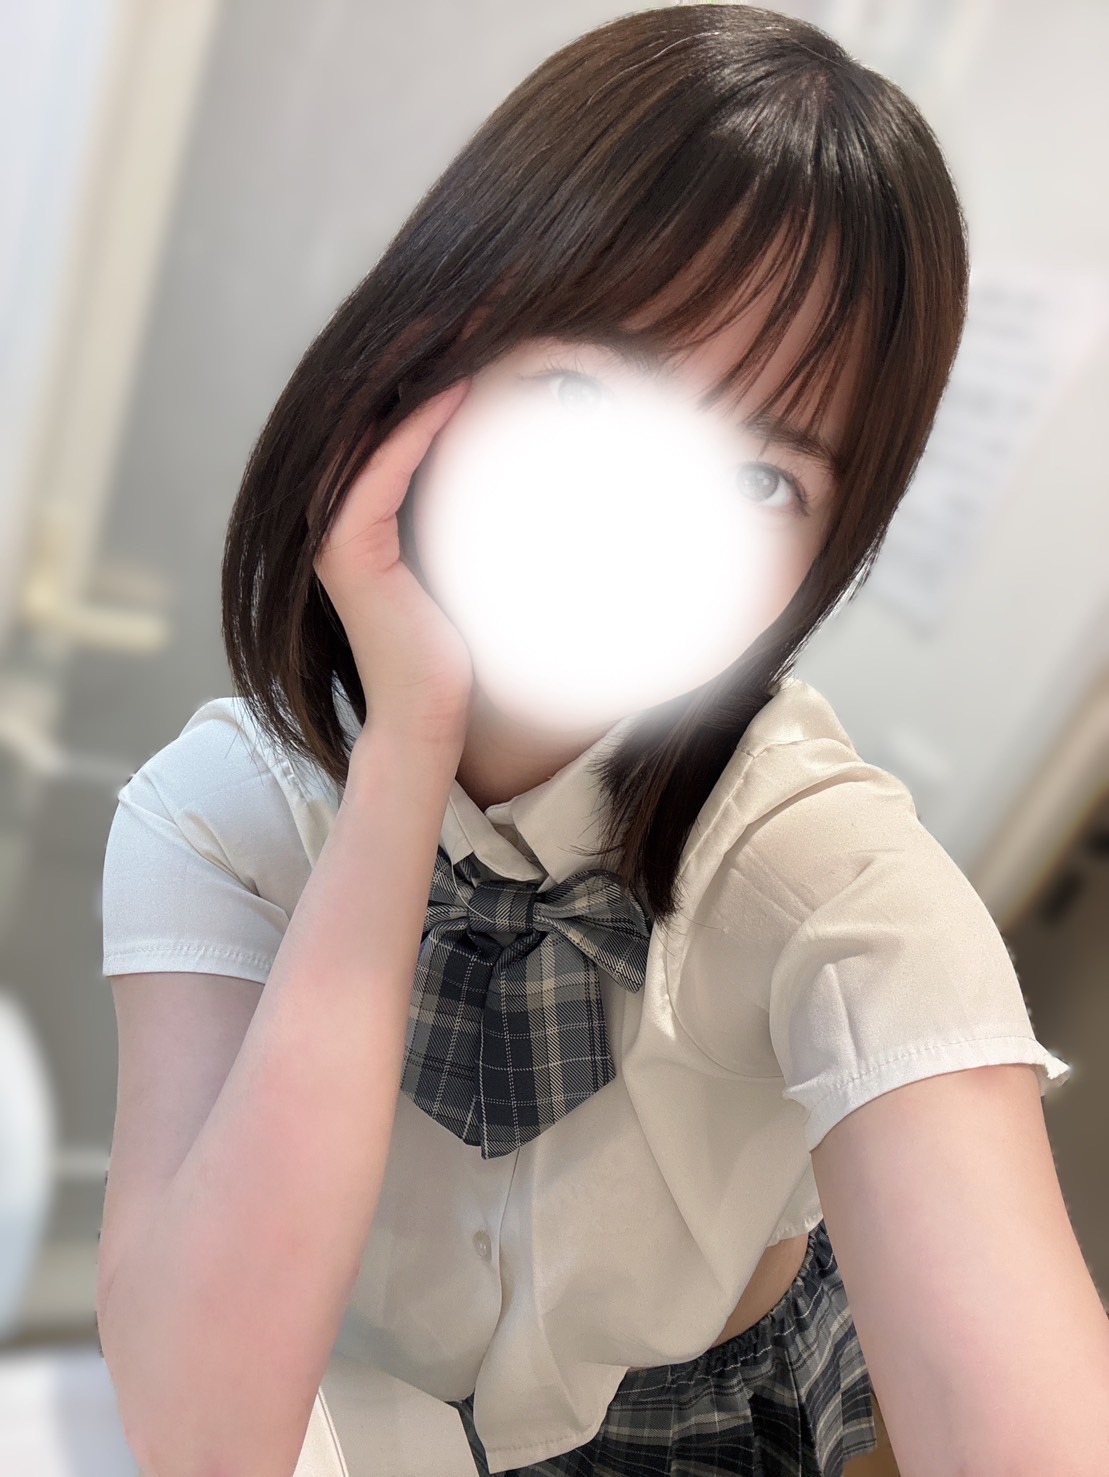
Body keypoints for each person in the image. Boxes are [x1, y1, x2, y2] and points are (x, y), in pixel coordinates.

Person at [96, 6, 1109, 1476]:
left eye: (760, 479)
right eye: (579, 390)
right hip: (367, 1415)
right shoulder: (216, 819)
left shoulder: (823, 863)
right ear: (426, 361)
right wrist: (403, 762)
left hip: (712, 1417)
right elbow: (203, 1436)